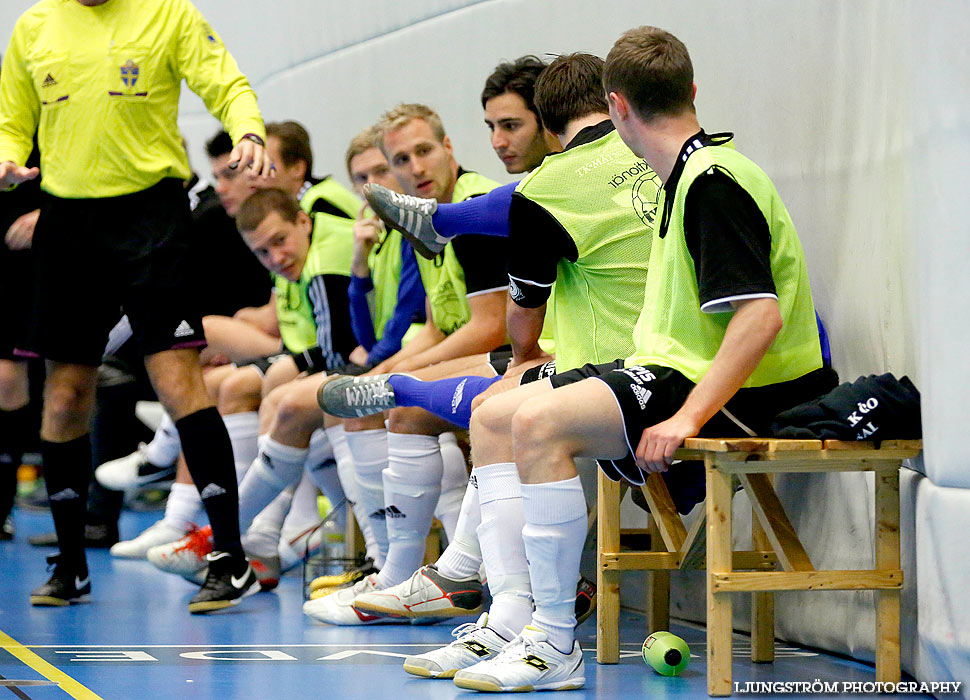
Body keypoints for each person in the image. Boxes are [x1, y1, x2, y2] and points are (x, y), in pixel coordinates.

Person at [437, 27, 838, 692]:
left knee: (539, 424)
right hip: (679, 367)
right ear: (692, 92)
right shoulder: (680, 177)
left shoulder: (712, 183)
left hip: (752, 391)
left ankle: (554, 640)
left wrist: (688, 419)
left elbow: (759, 316)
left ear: (617, 107)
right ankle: (512, 619)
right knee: (502, 411)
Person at [320, 55, 659, 644]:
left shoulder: (564, 185)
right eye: (492, 128)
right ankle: (452, 582)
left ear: (550, 124)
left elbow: (502, 326)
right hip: (590, 357)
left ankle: (488, 594)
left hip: (613, 365)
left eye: (514, 125)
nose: (501, 141)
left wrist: (405, 367)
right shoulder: (617, 175)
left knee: (479, 407)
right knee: (480, 406)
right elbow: (432, 323)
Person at [0, 0, 274, 613]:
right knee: (65, 391)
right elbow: (12, 119)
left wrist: (249, 130)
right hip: (68, 221)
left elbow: (224, 82)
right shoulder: (34, 27)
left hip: (152, 214)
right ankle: (71, 563)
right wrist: (7, 154)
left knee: (176, 378)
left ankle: (228, 557)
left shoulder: (168, 14)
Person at [302, 103, 511, 625]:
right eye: (402, 159)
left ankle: (403, 575)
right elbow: (439, 326)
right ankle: (392, 568)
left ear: (449, 149)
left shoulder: (473, 204)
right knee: (371, 397)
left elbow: (492, 325)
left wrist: (392, 376)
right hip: (481, 348)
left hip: (521, 353)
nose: (416, 167)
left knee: (398, 404)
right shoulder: (421, 213)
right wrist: (386, 370)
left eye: (424, 151)